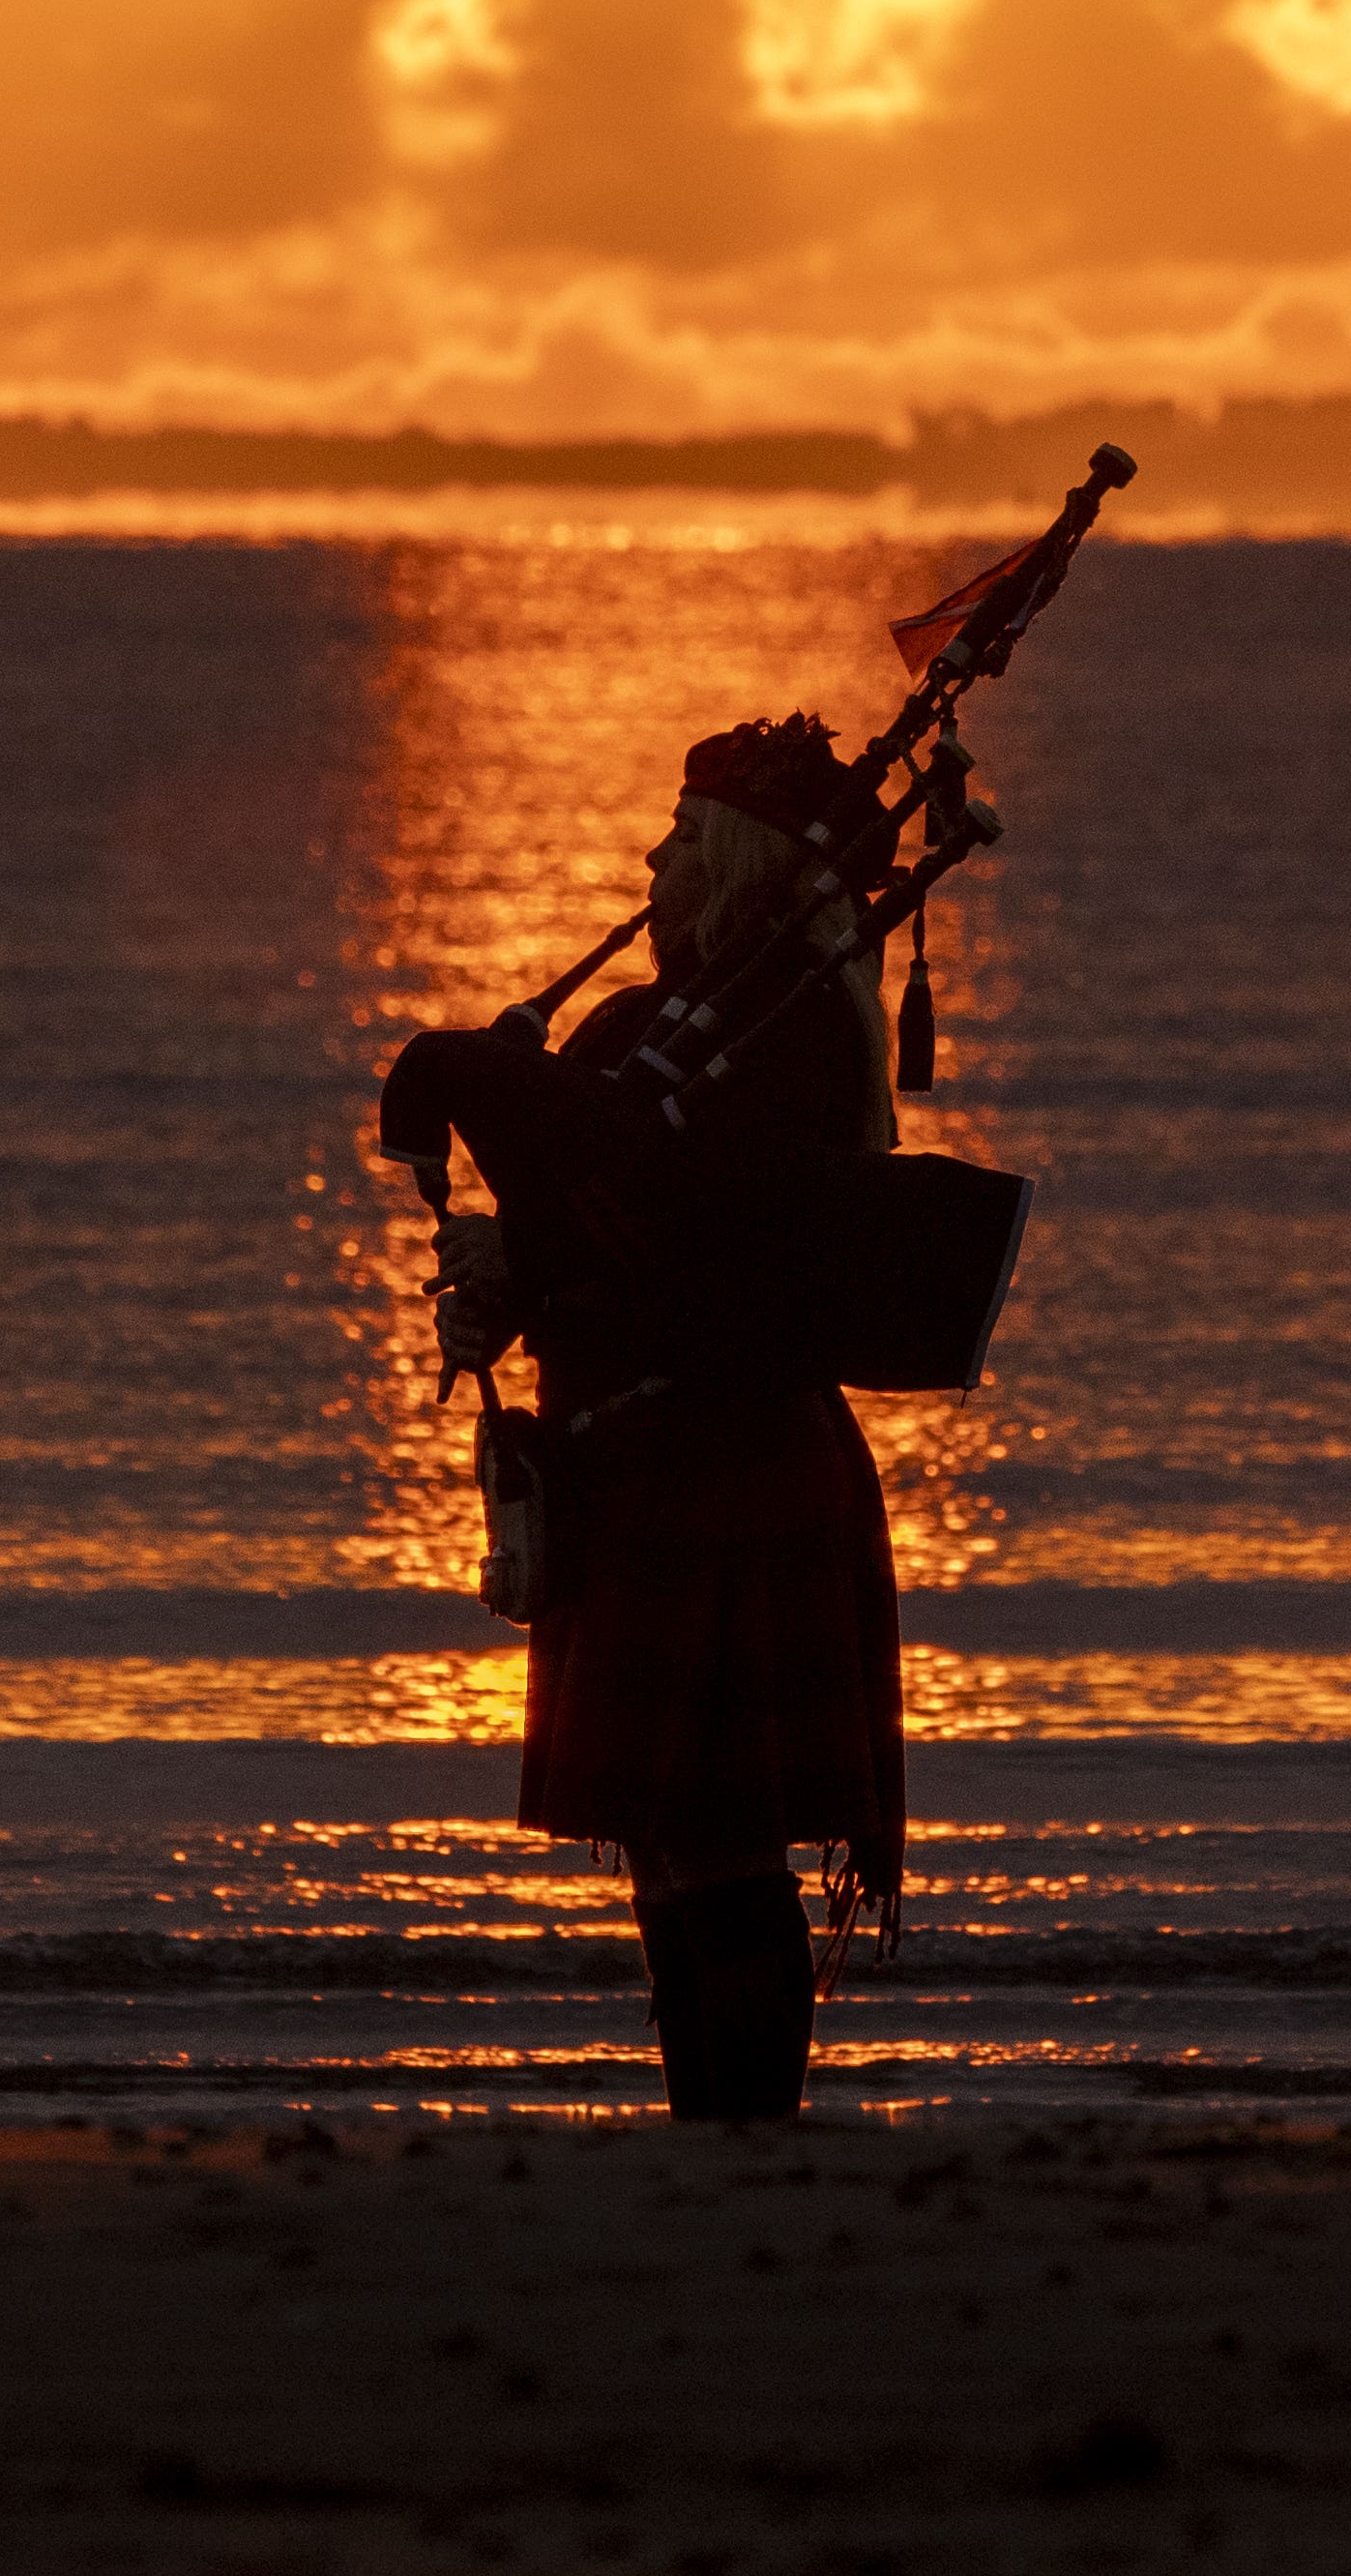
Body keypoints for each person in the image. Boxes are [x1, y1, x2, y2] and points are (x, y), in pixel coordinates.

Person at [407, 713, 909, 2123]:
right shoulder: (642, 1027)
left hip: (725, 1459)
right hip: (633, 1454)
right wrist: (501, 1285)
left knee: (718, 1834)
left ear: (746, 861)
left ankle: (743, 2133)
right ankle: (713, 2123)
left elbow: (692, 1237)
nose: (652, 854)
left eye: (686, 835)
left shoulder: (794, 1039)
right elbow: (590, 1218)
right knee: (668, 1840)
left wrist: (536, 1244)